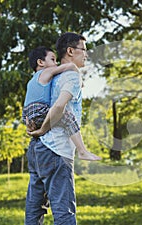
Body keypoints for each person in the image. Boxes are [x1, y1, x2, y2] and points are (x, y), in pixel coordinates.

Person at [24, 33, 93, 225]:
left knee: (34, 210)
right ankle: (83, 150)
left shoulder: (49, 75)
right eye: (84, 50)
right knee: (64, 212)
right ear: (71, 51)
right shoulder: (70, 74)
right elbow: (59, 108)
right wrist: (42, 128)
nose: (86, 55)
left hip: (37, 149)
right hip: (56, 149)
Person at [23, 46, 101, 161]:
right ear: (40, 62)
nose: (56, 63)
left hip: (27, 114)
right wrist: (79, 77)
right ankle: (82, 151)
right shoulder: (46, 71)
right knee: (67, 116)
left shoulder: (31, 81)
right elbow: (70, 66)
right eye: (53, 60)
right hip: (39, 109)